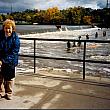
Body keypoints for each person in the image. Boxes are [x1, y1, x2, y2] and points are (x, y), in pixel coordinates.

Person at [0, 19, 20, 100]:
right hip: (0, 59)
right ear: (3, 28)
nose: (7, 30)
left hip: (11, 61)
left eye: (9, 28)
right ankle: (0, 92)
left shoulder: (16, 39)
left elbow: (14, 53)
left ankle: (9, 93)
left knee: (9, 78)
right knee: (0, 77)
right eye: (6, 28)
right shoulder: (0, 35)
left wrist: (2, 61)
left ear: (13, 29)